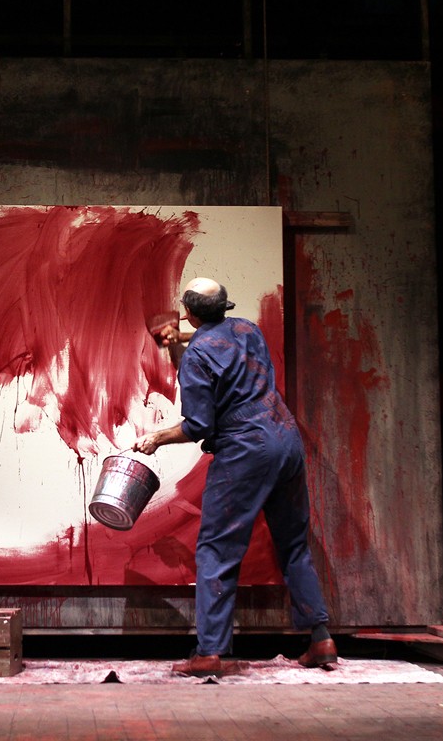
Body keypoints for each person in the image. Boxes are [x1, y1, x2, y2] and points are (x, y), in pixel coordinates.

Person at [134, 277, 336, 676]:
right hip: (285, 438)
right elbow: (216, 347)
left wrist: (157, 437)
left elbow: (198, 425)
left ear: (189, 312)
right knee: (293, 544)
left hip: (246, 450)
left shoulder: (198, 354)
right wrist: (176, 341)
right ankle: (321, 638)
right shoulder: (247, 328)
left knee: (216, 549)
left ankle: (209, 652)